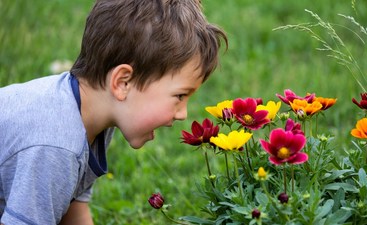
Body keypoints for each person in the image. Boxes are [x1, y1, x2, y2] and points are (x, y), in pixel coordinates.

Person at [0, 0, 228, 224]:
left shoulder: (89, 119)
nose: (182, 114)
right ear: (122, 83)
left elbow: (72, 208)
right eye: (180, 96)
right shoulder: (56, 145)